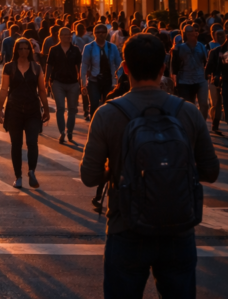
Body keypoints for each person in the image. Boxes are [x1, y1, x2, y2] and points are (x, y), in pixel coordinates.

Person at [81, 33, 220, 298]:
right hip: (178, 228)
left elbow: (89, 176)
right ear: (163, 68)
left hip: (126, 228)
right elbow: (211, 171)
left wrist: (118, 170)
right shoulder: (188, 112)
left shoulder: (108, 114)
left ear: (125, 68)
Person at [0, 38, 50, 189]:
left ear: (30, 50)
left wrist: (46, 109)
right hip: (14, 110)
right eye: (20, 48)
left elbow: (41, 90)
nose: (24, 51)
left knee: (32, 142)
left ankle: (32, 171)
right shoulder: (9, 67)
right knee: (16, 144)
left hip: (33, 110)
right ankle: (18, 176)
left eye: (27, 48)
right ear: (16, 50)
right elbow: (3, 89)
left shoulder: (36, 68)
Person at [47, 27, 83, 144]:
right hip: (58, 82)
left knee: (72, 109)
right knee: (60, 108)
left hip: (73, 83)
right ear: (60, 36)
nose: (68, 36)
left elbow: (80, 67)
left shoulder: (75, 50)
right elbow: (49, 66)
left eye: (69, 35)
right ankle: (62, 132)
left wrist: (81, 82)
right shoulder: (54, 50)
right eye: (65, 35)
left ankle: (70, 132)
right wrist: (46, 80)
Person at [81, 23, 122, 121]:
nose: (101, 34)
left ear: (106, 33)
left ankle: (106, 124)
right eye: (98, 32)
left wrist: (119, 80)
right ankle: (94, 123)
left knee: (108, 104)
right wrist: (83, 83)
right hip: (94, 80)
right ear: (94, 34)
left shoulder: (112, 47)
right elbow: (84, 65)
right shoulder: (88, 47)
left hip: (108, 80)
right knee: (94, 103)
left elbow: (119, 64)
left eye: (103, 32)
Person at [171, 24, 210, 119]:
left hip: (200, 79)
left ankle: (202, 125)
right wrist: (175, 81)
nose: (190, 34)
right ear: (183, 33)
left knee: (204, 105)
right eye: (187, 32)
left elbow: (206, 62)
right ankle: (191, 126)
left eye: (191, 31)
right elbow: (173, 66)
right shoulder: (178, 47)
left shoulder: (201, 46)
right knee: (189, 106)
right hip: (185, 81)